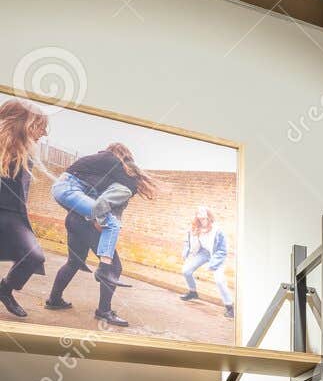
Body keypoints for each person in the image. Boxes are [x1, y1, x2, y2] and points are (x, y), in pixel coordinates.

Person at [49, 142, 157, 291]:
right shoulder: (113, 166)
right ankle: (104, 306)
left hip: (73, 219)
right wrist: (101, 220)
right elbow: (110, 204)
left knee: (74, 262)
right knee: (115, 267)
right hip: (86, 221)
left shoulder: (97, 175)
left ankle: (54, 300)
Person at [0, 98, 49, 319]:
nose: (44, 133)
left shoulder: (27, 151)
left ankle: (5, 289)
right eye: (41, 126)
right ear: (25, 122)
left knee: (34, 256)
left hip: (12, 214)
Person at [179, 206, 233, 318]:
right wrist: (186, 252)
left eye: (204, 218)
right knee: (186, 270)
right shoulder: (195, 228)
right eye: (199, 217)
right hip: (204, 253)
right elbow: (187, 241)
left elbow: (222, 251)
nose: (201, 220)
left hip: (216, 255)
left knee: (219, 281)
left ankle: (229, 307)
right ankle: (193, 292)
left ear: (209, 217)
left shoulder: (218, 231)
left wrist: (213, 264)